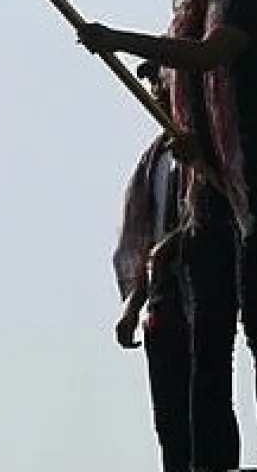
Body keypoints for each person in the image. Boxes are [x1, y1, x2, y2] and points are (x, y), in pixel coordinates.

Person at [78, 0, 257, 472]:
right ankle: (208, 463)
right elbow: (189, 72)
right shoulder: (186, 22)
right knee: (209, 345)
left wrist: (116, 39)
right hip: (210, 203)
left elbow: (207, 57)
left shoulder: (249, 5)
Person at [112, 61, 191, 472]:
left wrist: (174, 244)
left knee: (204, 397)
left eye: (162, 80)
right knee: (169, 411)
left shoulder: (198, 147)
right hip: (161, 295)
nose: (155, 89)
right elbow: (142, 240)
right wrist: (131, 306)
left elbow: (212, 212)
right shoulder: (155, 160)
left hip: (199, 287)